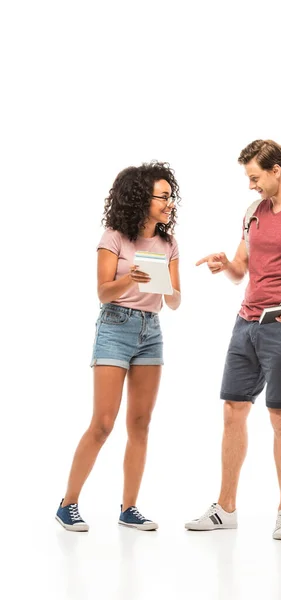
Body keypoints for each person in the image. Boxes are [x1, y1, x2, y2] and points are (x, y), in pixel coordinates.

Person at [186, 140, 281, 539]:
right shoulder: (253, 213)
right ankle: (225, 508)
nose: (251, 185)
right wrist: (226, 266)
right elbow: (241, 268)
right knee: (233, 410)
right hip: (246, 323)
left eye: (255, 177)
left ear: (276, 170)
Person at [56, 161, 181, 532]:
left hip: (151, 331)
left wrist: (165, 286)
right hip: (115, 325)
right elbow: (102, 290)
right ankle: (68, 503)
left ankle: (129, 509)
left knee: (140, 424)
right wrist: (131, 279)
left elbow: (174, 301)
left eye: (171, 197)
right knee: (103, 424)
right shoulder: (114, 236)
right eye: (163, 196)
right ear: (142, 198)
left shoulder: (169, 243)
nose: (169, 203)